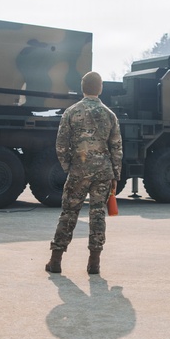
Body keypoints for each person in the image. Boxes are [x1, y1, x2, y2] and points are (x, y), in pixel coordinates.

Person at [45, 71, 122, 275]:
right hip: (103, 172)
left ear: (82, 87)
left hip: (79, 170)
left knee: (69, 213)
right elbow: (116, 147)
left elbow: (61, 144)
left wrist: (69, 167)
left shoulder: (71, 112)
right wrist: (115, 175)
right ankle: (94, 263)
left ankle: (56, 260)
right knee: (98, 214)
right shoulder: (109, 115)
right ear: (100, 88)